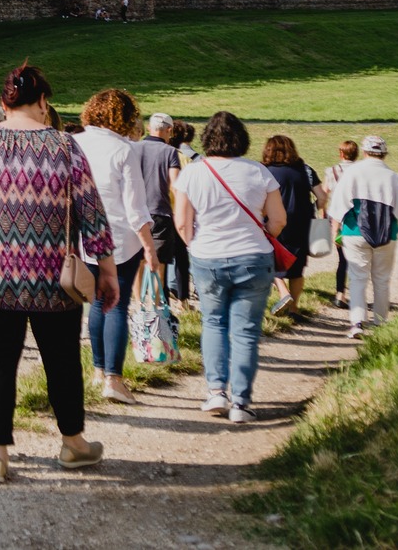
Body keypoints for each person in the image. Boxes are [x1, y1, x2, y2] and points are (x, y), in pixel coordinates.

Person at [0, 62, 118, 482]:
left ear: (4, 102)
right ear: (42, 101)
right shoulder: (65, 147)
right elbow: (93, 215)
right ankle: (73, 444)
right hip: (54, 280)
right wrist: (106, 270)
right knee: (61, 360)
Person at [174, 111, 286, 423]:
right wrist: (263, 236)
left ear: (207, 138)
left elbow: (182, 223)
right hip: (254, 256)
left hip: (208, 256)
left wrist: (194, 246)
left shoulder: (192, 173)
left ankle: (215, 392)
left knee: (213, 323)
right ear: (241, 138)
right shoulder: (258, 172)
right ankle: (241, 402)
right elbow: (278, 220)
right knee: (246, 332)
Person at [74, 88, 157, 403]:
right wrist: (149, 247)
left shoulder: (75, 143)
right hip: (119, 238)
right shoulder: (125, 151)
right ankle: (114, 379)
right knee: (117, 306)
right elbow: (136, 208)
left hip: (83, 237)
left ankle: (98, 371)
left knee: (96, 303)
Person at [329, 134, 398, 340]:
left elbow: (338, 205)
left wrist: (336, 231)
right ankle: (380, 321)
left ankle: (357, 322)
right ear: (384, 154)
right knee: (382, 279)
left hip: (354, 231)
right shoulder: (396, 178)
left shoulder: (352, 174)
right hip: (387, 234)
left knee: (358, 278)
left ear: (365, 153)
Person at [135, 112, 190, 308]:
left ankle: (139, 307)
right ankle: (156, 305)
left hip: (136, 211)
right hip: (161, 212)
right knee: (159, 264)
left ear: (149, 128)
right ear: (169, 130)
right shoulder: (169, 152)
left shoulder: (135, 147)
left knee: (139, 262)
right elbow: (174, 184)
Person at [259, 135, 318, 315]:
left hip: (274, 221)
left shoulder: (264, 170)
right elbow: (322, 197)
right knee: (298, 268)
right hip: (302, 222)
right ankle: (294, 307)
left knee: (272, 260)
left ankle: (283, 293)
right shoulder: (305, 170)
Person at [319, 139, 360, 308]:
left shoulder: (332, 171)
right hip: (356, 218)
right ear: (356, 155)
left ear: (341, 154)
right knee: (358, 257)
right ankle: (356, 294)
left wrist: (322, 215)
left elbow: (323, 194)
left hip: (337, 219)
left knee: (342, 258)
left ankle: (340, 294)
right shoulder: (360, 171)